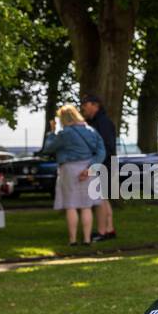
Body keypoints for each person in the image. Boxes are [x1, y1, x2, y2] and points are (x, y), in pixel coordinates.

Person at [41, 105, 105, 246]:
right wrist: (89, 168)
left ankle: (73, 240)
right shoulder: (91, 130)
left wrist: (52, 132)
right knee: (87, 206)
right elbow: (101, 151)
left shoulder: (64, 133)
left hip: (69, 169)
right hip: (89, 168)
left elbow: (48, 148)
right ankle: (87, 239)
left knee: (71, 205)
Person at [79, 94, 116, 241]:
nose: (83, 107)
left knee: (101, 199)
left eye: (86, 104)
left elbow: (106, 147)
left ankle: (104, 231)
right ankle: (109, 229)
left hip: (103, 164)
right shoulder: (95, 122)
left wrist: (95, 166)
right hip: (102, 164)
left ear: (95, 105)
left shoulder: (103, 123)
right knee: (103, 199)